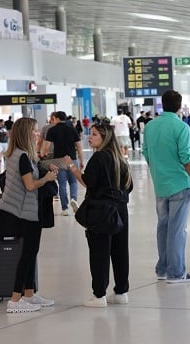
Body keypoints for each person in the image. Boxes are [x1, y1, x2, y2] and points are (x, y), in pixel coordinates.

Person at [63, 123, 134, 306]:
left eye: (94, 134)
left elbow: (88, 182)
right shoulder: (120, 159)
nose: (90, 137)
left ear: (104, 138)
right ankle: (121, 292)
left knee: (99, 252)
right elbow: (129, 186)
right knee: (120, 251)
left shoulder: (99, 158)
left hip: (102, 210)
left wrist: (72, 166)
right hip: (120, 209)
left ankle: (99, 294)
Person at [142, 90, 190, 283]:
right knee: (177, 229)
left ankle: (162, 269)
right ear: (179, 105)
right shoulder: (181, 127)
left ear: (162, 104)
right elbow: (187, 158)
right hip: (179, 183)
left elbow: (146, 153)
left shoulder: (150, 126)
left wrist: (158, 170)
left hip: (160, 184)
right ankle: (176, 273)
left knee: (163, 226)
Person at [0, 118, 57, 313]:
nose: (38, 133)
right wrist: (47, 178)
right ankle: (16, 299)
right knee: (27, 255)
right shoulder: (23, 157)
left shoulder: (18, 155)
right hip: (26, 212)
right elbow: (30, 185)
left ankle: (29, 294)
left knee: (31, 254)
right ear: (26, 133)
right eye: (34, 130)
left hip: (22, 210)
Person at [41, 111, 84, 216]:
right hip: (72, 159)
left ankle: (65, 208)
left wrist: (43, 154)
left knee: (62, 184)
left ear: (56, 118)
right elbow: (79, 146)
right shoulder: (72, 129)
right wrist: (82, 160)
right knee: (73, 182)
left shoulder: (52, 130)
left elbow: (46, 146)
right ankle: (73, 199)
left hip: (59, 161)